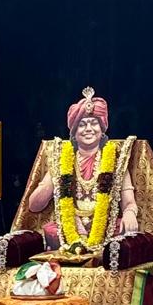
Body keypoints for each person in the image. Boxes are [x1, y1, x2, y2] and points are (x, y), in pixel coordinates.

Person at [25, 86, 139, 249]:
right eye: (82, 125)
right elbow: (34, 206)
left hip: (106, 231)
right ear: (73, 132)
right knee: (52, 231)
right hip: (70, 229)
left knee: (123, 235)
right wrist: (52, 182)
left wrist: (129, 214)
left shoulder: (115, 162)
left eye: (94, 123)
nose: (88, 129)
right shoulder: (61, 162)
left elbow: (129, 203)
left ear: (102, 129)